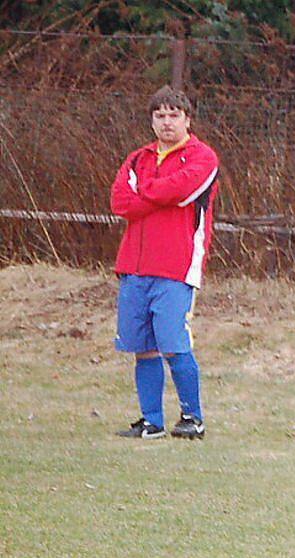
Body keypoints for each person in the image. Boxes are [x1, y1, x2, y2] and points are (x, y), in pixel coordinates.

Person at [110, 85, 219, 440]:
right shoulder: (137, 158)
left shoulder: (203, 157)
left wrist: (147, 192)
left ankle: (192, 417)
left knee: (174, 344)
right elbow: (120, 202)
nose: (167, 122)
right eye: (160, 115)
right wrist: (155, 196)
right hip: (134, 267)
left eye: (174, 115)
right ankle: (151, 420)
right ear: (151, 120)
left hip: (176, 266)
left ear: (187, 119)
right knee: (142, 347)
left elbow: (182, 190)